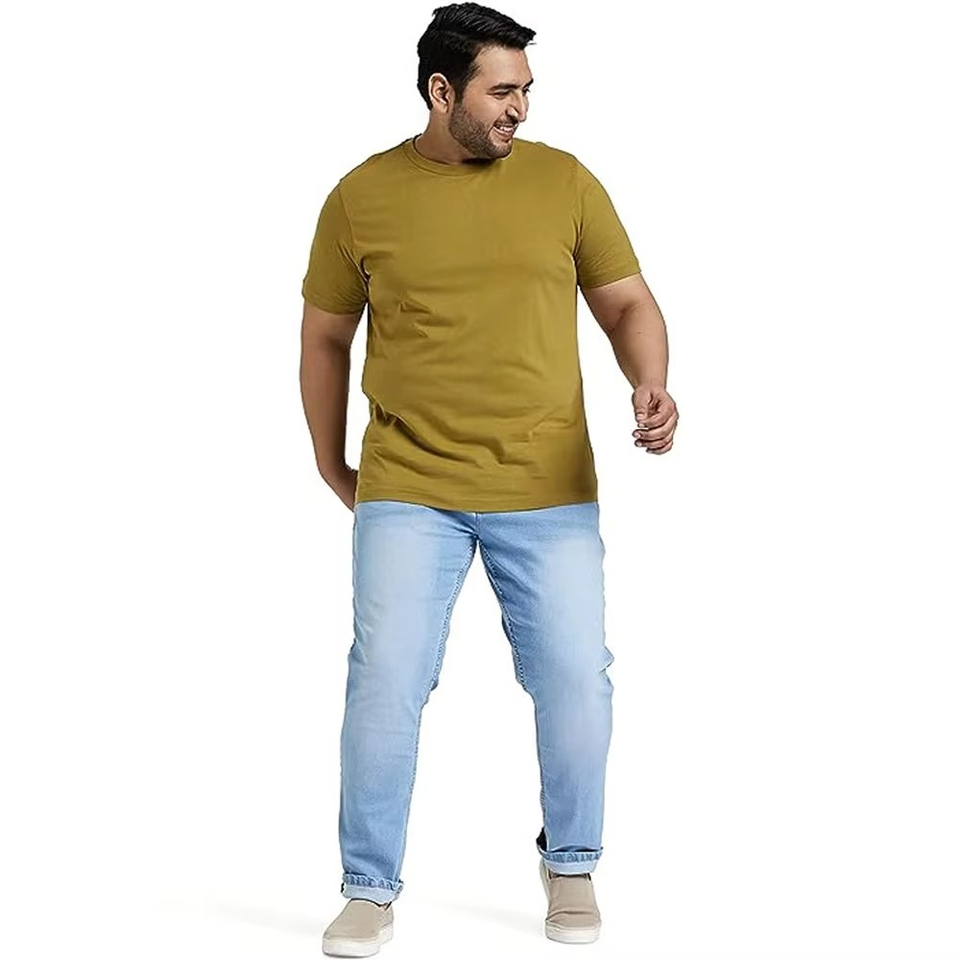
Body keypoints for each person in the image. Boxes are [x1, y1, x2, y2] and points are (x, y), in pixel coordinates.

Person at [299, 3, 678, 954]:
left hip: (548, 485)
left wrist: (651, 382)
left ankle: (572, 864)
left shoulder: (565, 182)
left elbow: (627, 303)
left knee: (577, 679)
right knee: (385, 680)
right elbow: (326, 336)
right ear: (442, 91)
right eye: (502, 91)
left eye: (526, 90)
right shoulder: (361, 196)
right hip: (409, 483)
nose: (520, 108)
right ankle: (368, 886)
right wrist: (330, 461)